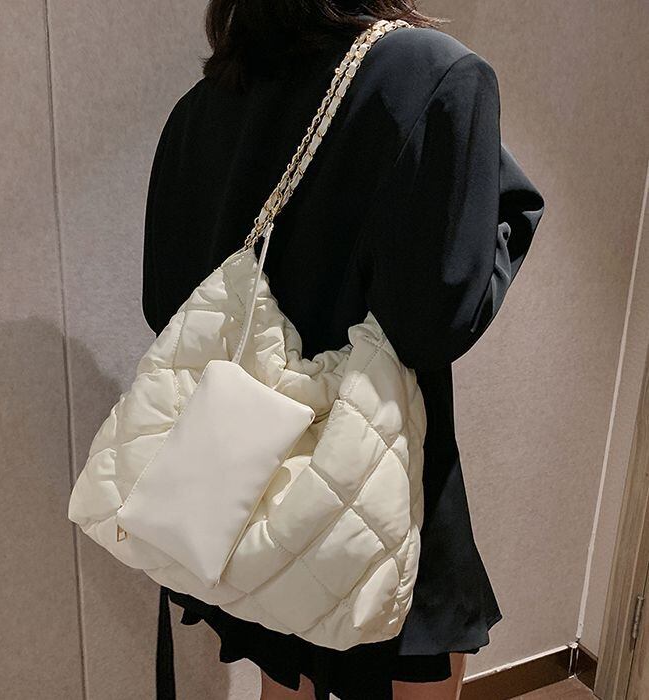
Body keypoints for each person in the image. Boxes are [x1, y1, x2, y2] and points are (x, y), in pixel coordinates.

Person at [142, 2, 545, 699]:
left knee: (282, 665)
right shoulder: (433, 72)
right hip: (382, 483)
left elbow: (165, 307)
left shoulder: (201, 108)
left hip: (249, 488)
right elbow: (433, 323)